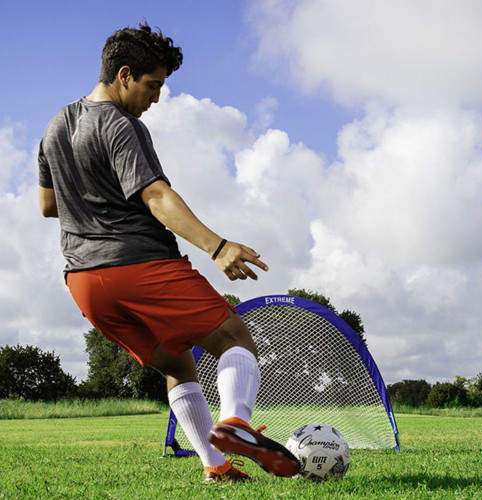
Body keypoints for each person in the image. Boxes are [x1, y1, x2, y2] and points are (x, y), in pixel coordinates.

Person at [38, 22, 299, 482]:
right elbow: (156, 196)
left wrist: (90, 201)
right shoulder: (122, 125)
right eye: (153, 85)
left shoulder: (56, 124)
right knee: (234, 340)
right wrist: (217, 246)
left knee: (177, 364)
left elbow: (48, 205)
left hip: (83, 284)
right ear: (123, 75)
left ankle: (215, 467)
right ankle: (235, 422)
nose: (156, 98)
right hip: (138, 264)